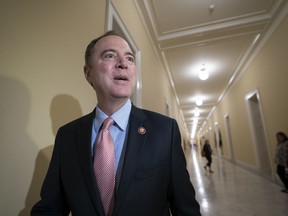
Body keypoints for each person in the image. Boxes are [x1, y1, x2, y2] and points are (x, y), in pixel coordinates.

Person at [31, 31, 201, 216]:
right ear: (88, 74)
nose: (123, 63)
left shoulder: (165, 131)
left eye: (129, 58)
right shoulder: (67, 136)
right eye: (110, 55)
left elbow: (186, 210)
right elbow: (50, 208)